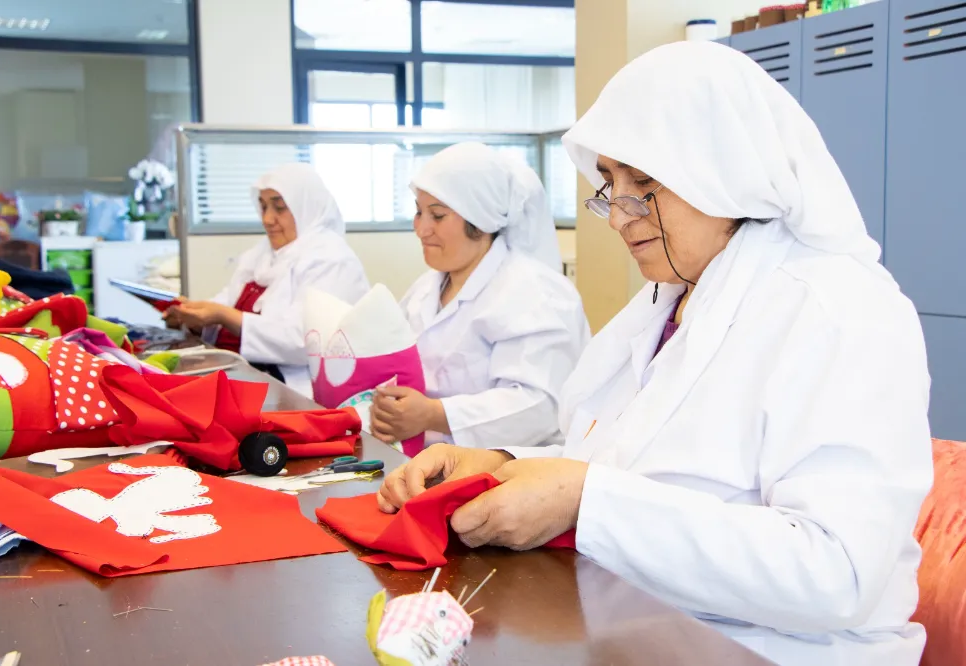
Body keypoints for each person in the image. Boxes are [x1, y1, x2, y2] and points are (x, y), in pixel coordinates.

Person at [376, 42, 933, 666]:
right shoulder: (669, 302)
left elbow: (837, 574)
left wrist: (586, 498)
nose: (618, 216)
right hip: (641, 622)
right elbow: (630, 466)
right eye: (610, 184)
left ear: (725, 168)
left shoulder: (838, 311)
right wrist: (500, 462)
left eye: (644, 184)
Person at [370, 142, 590, 453]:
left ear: (481, 221)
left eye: (437, 215)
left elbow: (538, 406)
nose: (421, 229)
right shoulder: (425, 288)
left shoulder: (536, 293)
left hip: (508, 471)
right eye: (419, 212)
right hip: (428, 458)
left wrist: (435, 415)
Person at [164, 163, 370, 394]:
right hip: (245, 374)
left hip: (294, 389)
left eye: (279, 208)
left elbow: (306, 342)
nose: (267, 219)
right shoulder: (261, 255)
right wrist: (194, 318)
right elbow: (224, 302)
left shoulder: (332, 260)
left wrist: (227, 317)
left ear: (306, 208)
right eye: (262, 207)